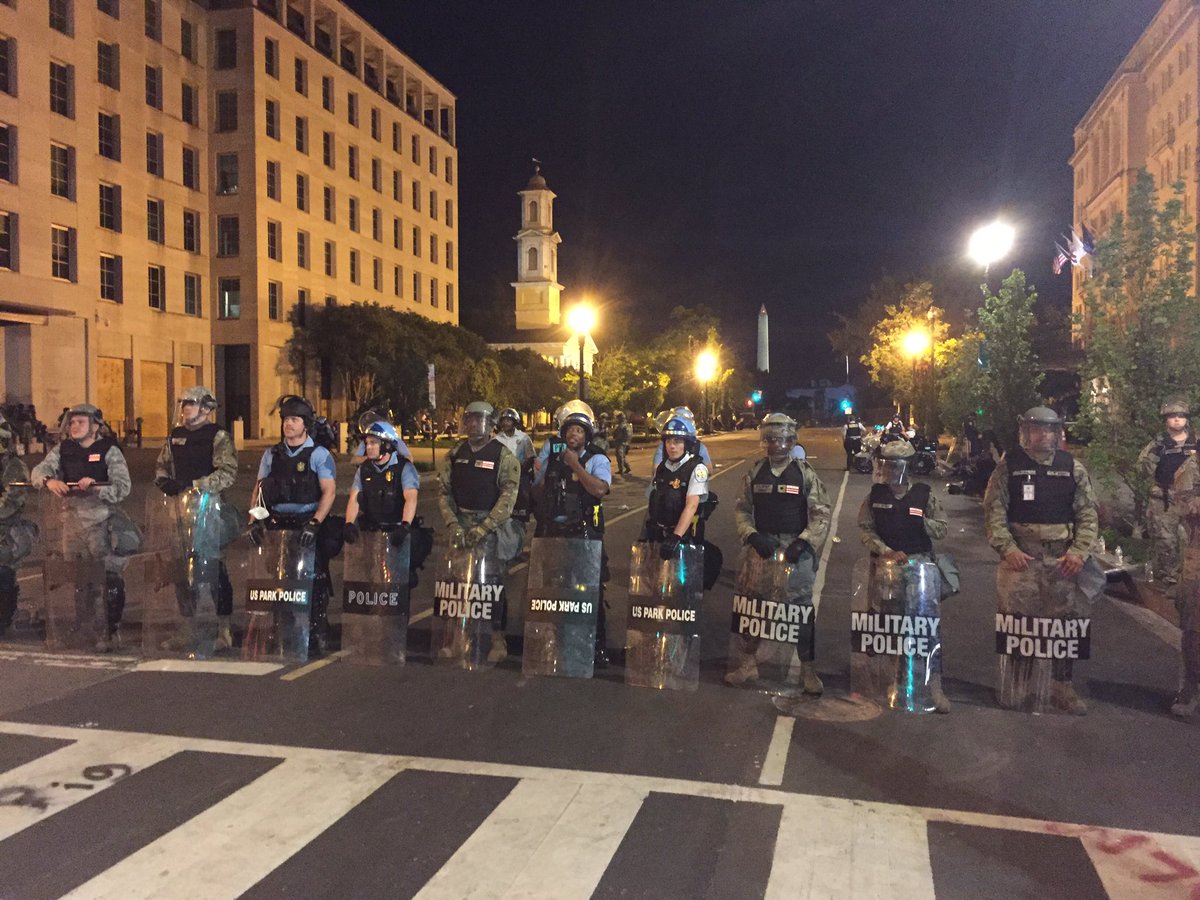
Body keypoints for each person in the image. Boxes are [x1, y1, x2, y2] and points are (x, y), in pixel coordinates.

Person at [984, 406, 1099, 715]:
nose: (1044, 434)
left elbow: (1088, 514)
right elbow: (994, 513)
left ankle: (1062, 687)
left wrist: (1079, 552)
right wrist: (1007, 550)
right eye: (1037, 429)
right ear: (1026, 432)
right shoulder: (1009, 468)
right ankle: (1016, 684)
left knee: (1064, 627)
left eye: (1050, 429)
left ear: (1058, 432)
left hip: (1062, 561)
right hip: (1021, 561)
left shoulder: (1072, 468)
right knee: (1019, 625)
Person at [730, 412, 830, 690]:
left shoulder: (805, 473)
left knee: (800, 612)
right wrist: (751, 535)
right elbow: (741, 509)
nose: (776, 445)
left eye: (782, 439)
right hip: (761, 550)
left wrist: (805, 541)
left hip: (795, 550)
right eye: (771, 439)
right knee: (752, 606)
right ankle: (747, 664)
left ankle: (808, 670)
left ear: (791, 441)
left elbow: (821, 513)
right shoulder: (754, 471)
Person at [31, 403, 136, 650]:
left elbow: (123, 486)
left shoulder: (109, 450)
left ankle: (108, 631)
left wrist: (97, 486)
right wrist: (48, 481)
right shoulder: (63, 449)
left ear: (95, 426)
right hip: (72, 522)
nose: (74, 426)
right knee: (81, 580)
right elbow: (38, 471)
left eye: (81, 422)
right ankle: (86, 627)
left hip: (101, 522)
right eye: (72, 422)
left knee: (107, 578)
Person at [856, 439, 951, 712]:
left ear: (907, 466)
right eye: (887, 463)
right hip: (888, 570)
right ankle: (895, 682)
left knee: (926, 631)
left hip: (920, 569)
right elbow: (865, 529)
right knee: (893, 629)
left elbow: (942, 529)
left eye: (897, 464)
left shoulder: (924, 495)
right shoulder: (875, 496)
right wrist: (884, 550)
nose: (891, 469)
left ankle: (934, 688)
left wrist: (920, 521)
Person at [249, 395, 337, 656]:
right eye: (286, 419)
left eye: (294, 419)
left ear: (306, 424)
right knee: (279, 579)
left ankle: (316, 628)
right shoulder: (272, 454)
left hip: (306, 524)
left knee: (315, 579)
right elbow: (259, 489)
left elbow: (328, 492)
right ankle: (281, 628)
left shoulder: (319, 455)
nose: (289, 424)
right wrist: (254, 521)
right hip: (277, 525)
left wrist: (315, 523)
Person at [154, 386, 239, 650]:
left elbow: (227, 472)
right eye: (183, 404)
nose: (185, 409)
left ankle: (224, 629)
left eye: (190, 404)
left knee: (212, 568)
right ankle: (187, 627)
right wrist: (163, 481)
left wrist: (196, 484)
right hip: (178, 508)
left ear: (205, 408)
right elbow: (162, 465)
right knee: (181, 569)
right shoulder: (175, 436)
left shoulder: (218, 436)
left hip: (207, 506)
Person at [438, 401, 522, 662]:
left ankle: (498, 640)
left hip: (491, 531)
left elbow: (509, 496)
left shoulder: (503, 455)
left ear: (491, 423)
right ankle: (456, 638)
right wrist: (454, 524)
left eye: (480, 419)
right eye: (470, 419)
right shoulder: (454, 453)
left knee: (492, 587)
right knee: (458, 586)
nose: (474, 424)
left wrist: (484, 527)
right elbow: (444, 493)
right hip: (461, 528)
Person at [533, 400, 613, 665]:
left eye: (579, 430)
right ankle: (558, 642)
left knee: (590, 590)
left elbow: (599, 489)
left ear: (587, 434)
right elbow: (539, 490)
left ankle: (597, 646)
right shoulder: (554, 456)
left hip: (586, 535)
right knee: (557, 590)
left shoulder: (597, 458)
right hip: (556, 533)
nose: (573, 434)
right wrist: (544, 466)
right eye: (570, 430)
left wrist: (576, 465)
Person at [1136, 396, 1195, 586]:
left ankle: (1188, 579)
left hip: (1191, 501)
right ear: (1166, 420)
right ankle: (1168, 580)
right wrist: (1152, 458)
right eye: (1172, 416)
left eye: (1181, 416)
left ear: (1186, 419)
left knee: (1189, 541)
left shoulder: (1196, 442)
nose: (1177, 419)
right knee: (1165, 542)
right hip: (1164, 501)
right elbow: (1141, 470)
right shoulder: (1158, 444)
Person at [344, 420, 419, 546]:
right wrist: (349, 523)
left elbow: (411, 499)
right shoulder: (364, 469)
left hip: (397, 531)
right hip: (371, 533)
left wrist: (405, 526)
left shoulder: (404, 468)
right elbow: (354, 498)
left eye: (373, 443)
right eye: (367, 443)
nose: (368, 447)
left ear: (387, 445)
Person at [644, 415, 708, 553]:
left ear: (686, 444)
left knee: (682, 574)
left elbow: (691, 506)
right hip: (660, 536)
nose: (672, 446)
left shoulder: (696, 469)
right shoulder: (662, 468)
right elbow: (653, 501)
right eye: (668, 441)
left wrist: (676, 536)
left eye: (677, 441)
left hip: (684, 537)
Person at [1169, 454, 1200, 716]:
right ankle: (1192, 692)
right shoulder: (1191, 468)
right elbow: (1182, 505)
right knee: (1195, 629)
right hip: (1198, 563)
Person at [0, 415, 34, 636]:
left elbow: (10, 503)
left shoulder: (14, 467)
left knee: (3, 573)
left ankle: (3, 619)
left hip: (7, 533)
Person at [494, 408, 536, 546]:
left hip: (521, 480)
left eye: (509, 420)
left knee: (520, 514)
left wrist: (519, 471)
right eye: (504, 420)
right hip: (503, 480)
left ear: (515, 421)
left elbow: (530, 457)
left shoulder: (523, 438)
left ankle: (519, 544)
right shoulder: (497, 439)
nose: (506, 423)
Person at [613, 412, 633, 476]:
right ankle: (627, 468)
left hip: (621, 443)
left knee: (620, 456)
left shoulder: (622, 426)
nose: (617, 419)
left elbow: (619, 435)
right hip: (624, 443)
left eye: (618, 418)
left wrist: (616, 435)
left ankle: (621, 470)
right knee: (622, 456)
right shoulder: (626, 425)